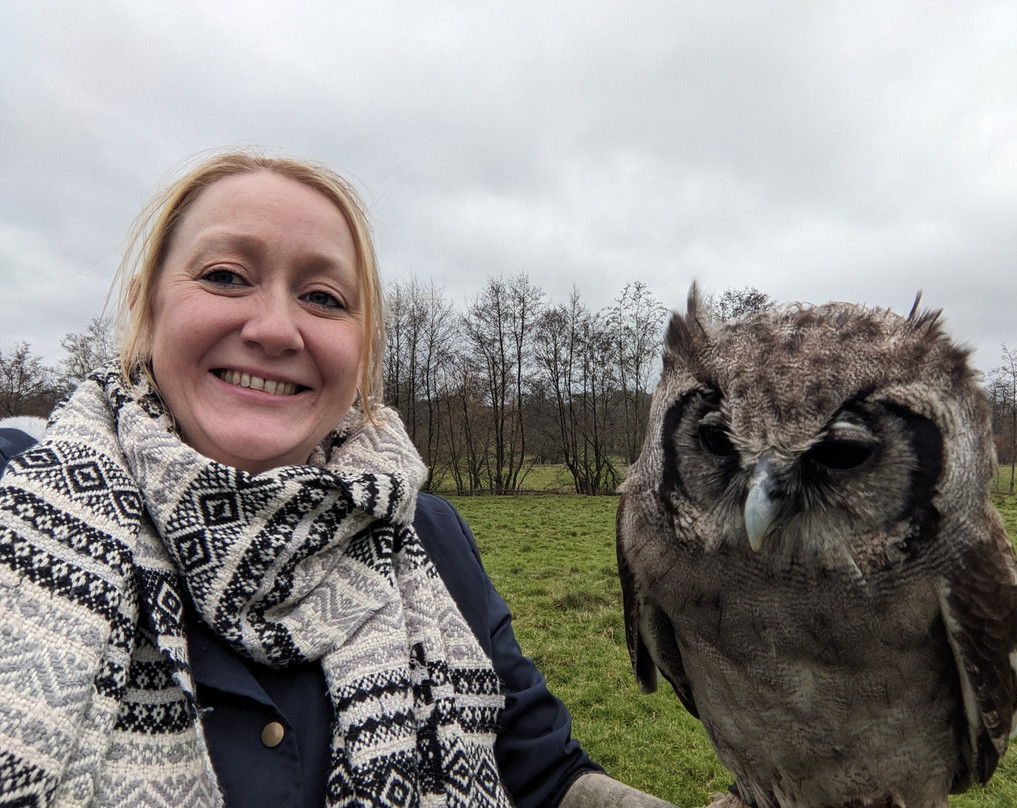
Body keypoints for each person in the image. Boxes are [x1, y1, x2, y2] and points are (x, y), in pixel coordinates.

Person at [0, 151, 675, 808]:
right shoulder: (22, 509)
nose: (274, 329)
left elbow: (540, 775)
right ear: (145, 309)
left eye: (323, 297)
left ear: (363, 349)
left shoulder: (429, 535)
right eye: (226, 276)